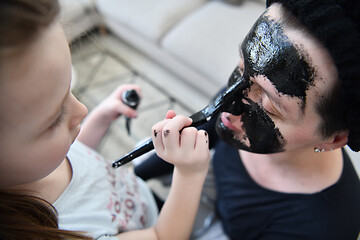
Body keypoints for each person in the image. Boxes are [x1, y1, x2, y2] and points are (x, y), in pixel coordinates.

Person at [135, 0, 360, 239]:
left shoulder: (321, 228)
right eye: (242, 66)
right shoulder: (242, 94)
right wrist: (137, 175)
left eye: (269, 106)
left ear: (334, 139)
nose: (227, 104)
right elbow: (204, 131)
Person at [0, 0, 210, 239]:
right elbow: (163, 235)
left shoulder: (33, 164)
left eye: (70, 92)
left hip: (140, 198)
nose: (82, 109)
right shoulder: (66, 232)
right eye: (55, 118)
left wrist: (102, 117)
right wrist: (191, 173)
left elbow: (76, 155)